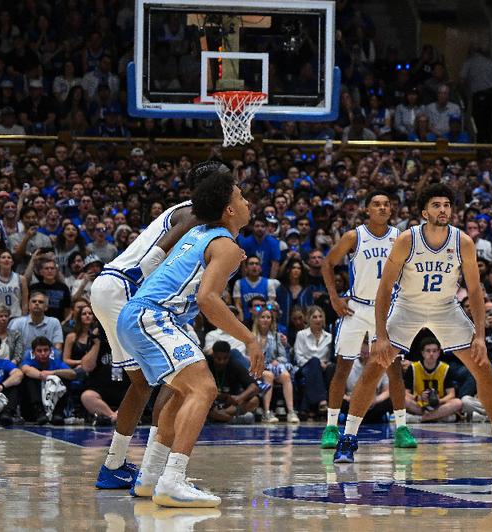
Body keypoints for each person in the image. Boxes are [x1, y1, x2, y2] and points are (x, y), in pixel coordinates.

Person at [335, 184, 492, 464]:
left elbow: (474, 290)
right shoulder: (407, 240)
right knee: (375, 365)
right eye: (436, 205)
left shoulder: (463, 242)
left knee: (484, 367)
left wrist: (480, 336)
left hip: (446, 309)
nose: (443, 209)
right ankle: (348, 438)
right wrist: (382, 335)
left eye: (446, 205)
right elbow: (385, 288)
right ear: (425, 212)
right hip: (408, 307)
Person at [118, 174, 261, 508]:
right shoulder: (223, 244)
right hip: (154, 316)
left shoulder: (202, 233)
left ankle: (151, 477)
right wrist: (250, 339)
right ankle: (173, 480)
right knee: (205, 389)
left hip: (140, 314)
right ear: (228, 209)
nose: (247, 203)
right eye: (241, 198)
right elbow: (207, 300)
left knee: (184, 392)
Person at [86, 161, 230, 490]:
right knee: (182, 372)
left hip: (111, 287)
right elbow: (152, 260)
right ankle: (157, 470)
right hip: (128, 288)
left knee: (143, 384)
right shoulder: (195, 214)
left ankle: (116, 465)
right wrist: (161, 305)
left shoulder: (189, 214)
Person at [319, 192, 411, 449]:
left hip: (388, 310)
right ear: (367, 210)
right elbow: (327, 264)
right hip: (356, 308)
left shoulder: (400, 238)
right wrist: (334, 298)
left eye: (386, 204)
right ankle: (330, 427)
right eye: (376, 204)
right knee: (342, 369)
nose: (382, 208)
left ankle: (402, 427)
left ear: (391, 210)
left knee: (393, 370)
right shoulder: (354, 236)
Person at [18, 335, 76, 423]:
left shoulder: (55, 362)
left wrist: (53, 373)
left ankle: (58, 413)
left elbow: (72, 374)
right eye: (39, 351)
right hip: (32, 408)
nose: (43, 353)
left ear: (50, 351)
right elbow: (26, 369)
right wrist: (43, 375)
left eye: (46, 350)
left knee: (65, 378)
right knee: (28, 379)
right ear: (33, 353)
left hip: (54, 402)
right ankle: (39, 412)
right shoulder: (29, 361)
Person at [406, 340, 465, 422]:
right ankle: (438, 417)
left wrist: (439, 401)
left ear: (439, 353)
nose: (431, 354)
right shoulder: (413, 368)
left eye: (434, 351)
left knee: (458, 402)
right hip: (419, 404)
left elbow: (451, 394)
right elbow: (405, 393)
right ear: (422, 353)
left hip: (439, 405)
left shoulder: (445, 368)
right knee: (403, 399)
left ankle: (421, 418)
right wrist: (418, 397)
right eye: (428, 351)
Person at [293, 306, 335, 421]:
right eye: (315, 317)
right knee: (315, 362)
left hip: (323, 368)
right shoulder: (301, 334)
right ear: (309, 319)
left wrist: (325, 364)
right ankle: (322, 400)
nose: (318, 319)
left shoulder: (329, 337)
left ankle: (307, 408)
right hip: (304, 368)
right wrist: (315, 364)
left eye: (320, 316)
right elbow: (299, 357)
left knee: (331, 368)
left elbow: (330, 357)